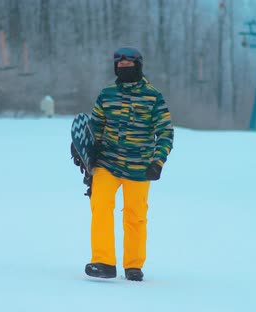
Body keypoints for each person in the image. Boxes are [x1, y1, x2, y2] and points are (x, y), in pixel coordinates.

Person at [73, 47, 174, 281]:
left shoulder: (153, 97)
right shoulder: (106, 95)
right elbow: (95, 128)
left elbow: (165, 131)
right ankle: (103, 262)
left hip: (140, 166)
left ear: (139, 67)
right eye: (121, 67)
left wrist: (158, 161)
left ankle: (133, 266)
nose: (124, 70)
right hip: (107, 163)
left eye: (129, 67)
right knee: (100, 206)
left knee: (135, 215)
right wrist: (84, 150)